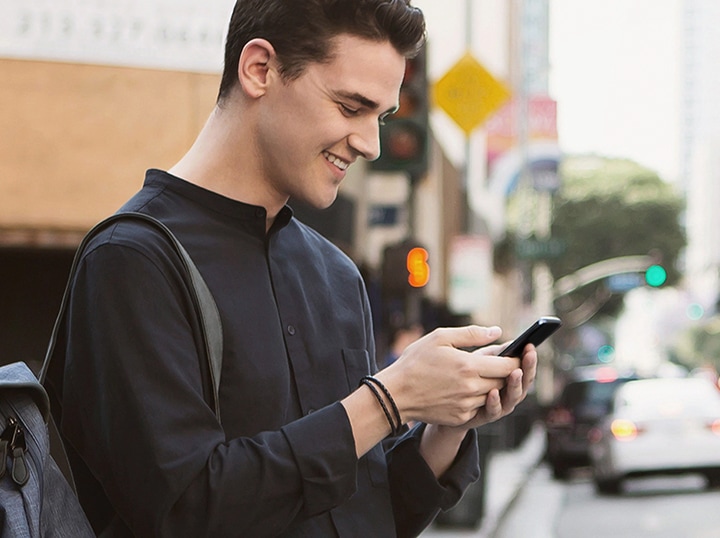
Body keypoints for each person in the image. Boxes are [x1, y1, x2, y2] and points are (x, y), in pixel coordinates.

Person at [45, 1, 538, 536]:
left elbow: (363, 513)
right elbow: (184, 509)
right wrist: (390, 401)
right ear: (260, 69)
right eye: (351, 107)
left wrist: (444, 425)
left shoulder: (335, 274)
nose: (371, 144)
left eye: (382, 117)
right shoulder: (132, 259)